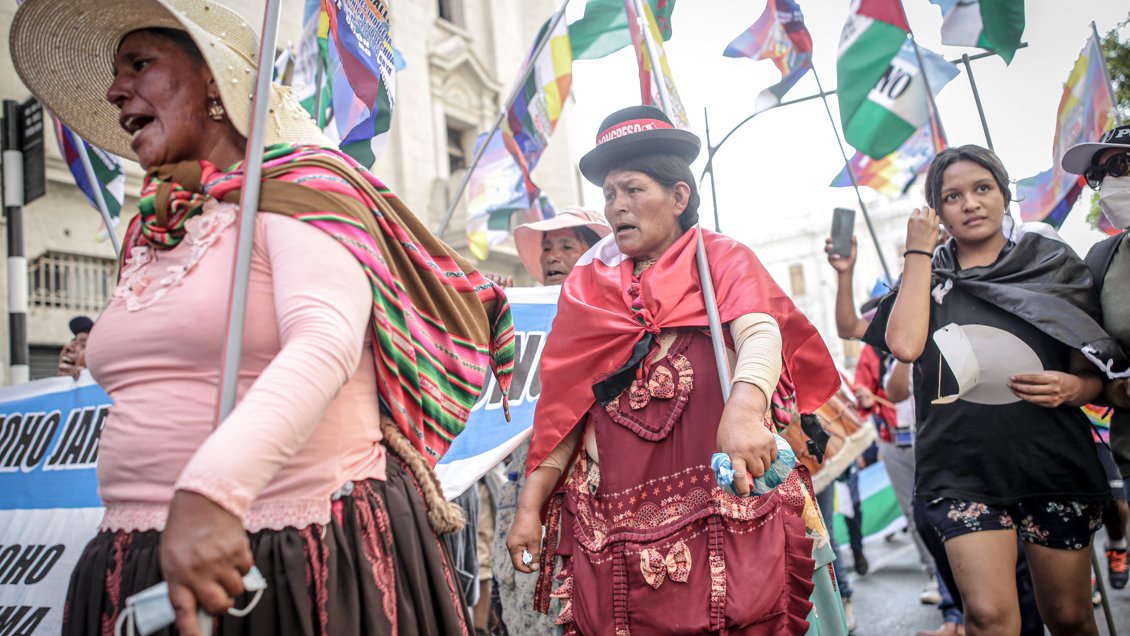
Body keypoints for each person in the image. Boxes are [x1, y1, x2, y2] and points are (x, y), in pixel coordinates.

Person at [10, 1, 517, 634]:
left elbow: (323, 341)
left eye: (140, 64)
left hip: (294, 548)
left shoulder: (302, 187)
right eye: (118, 73)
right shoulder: (150, 225)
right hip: (136, 555)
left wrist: (210, 492)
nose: (116, 90)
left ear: (215, 85)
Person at [506, 105, 844, 634]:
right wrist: (529, 507)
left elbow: (760, 333)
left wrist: (744, 411)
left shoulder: (720, 258)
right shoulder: (585, 290)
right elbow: (562, 412)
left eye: (633, 190)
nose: (617, 205)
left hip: (725, 506)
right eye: (610, 194)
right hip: (616, 527)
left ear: (679, 197)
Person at [866, 144, 1125, 636]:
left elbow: (1093, 370)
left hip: (1051, 465)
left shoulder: (1050, 263)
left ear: (1004, 195)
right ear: (936, 211)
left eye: (982, 188)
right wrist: (917, 251)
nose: (970, 203)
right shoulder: (928, 273)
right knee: (987, 617)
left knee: (1069, 617)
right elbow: (903, 345)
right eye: (952, 196)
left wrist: (1074, 387)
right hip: (961, 472)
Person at [482, 207, 610, 635]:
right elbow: (497, 395)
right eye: (548, 248)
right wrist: (495, 322)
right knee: (526, 594)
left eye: (567, 247)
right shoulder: (519, 320)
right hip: (525, 488)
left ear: (594, 254)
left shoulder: (614, 314)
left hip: (594, 489)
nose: (553, 256)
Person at [1063, 123, 1130, 591]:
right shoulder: (1102, 259)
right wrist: (1116, 388)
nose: (1108, 182)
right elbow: (1093, 369)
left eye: (1120, 165)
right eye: (1098, 175)